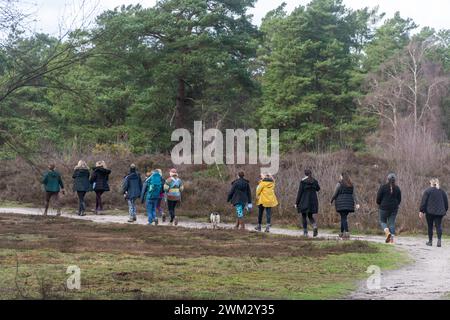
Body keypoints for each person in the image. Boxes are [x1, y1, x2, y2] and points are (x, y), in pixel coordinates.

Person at [419, 178, 448, 247]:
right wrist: (444, 210)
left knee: (430, 226)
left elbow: (424, 202)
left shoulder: (427, 191)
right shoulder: (442, 192)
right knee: (438, 226)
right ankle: (439, 241)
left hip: (429, 212)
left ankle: (430, 241)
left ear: (431, 183)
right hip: (439, 212)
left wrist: (421, 211)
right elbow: (446, 203)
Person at [331, 172, 360, 239]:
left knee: (343, 217)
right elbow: (354, 194)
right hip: (349, 203)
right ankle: (341, 232)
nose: (340, 177)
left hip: (341, 203)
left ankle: (346, 232)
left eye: (340, 176)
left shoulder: (339, 184)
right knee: (344, 217)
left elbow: (335, 194)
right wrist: (357, 203)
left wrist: (331, 200)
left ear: (342, 177)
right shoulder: (351, 185)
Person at [376, 173, 402, 244]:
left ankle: (387, 233)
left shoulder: (383, 187)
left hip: (383, 207)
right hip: (394, 208)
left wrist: (379, 204)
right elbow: (399, 199)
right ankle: (392, 240)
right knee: (391, 223)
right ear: (395, 180)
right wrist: (396, 205)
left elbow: (378, 198)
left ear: (387, 179)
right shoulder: (397, 188)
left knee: (382, 221)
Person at [295, 169, 320, 237]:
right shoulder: (315, 181)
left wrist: (296, 203)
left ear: (305, 174)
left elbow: (299, 192)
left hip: (304, 201)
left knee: (304, 216)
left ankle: (305, 232)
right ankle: (314, 226)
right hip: (313, 201)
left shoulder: (303, 181)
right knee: (310, 216)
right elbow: (318, 189)